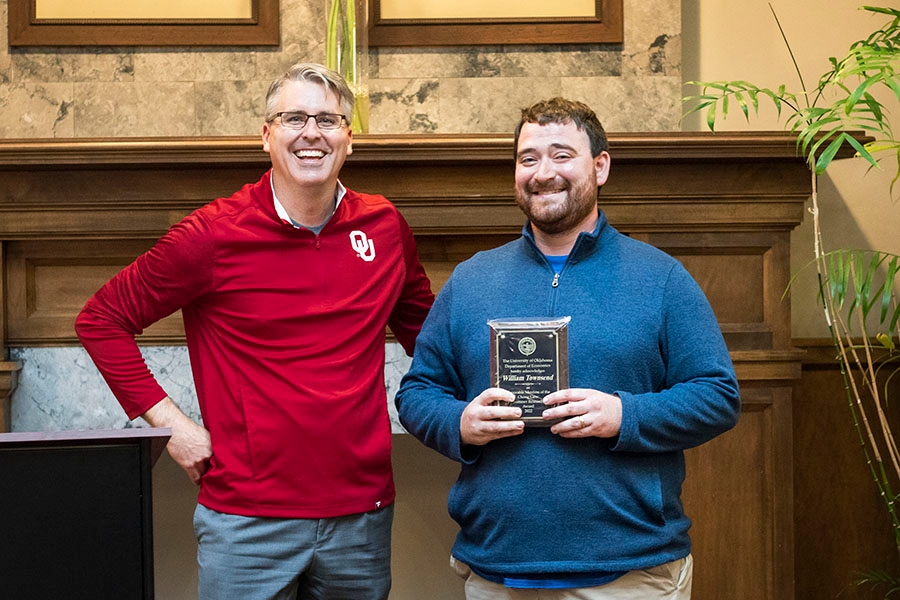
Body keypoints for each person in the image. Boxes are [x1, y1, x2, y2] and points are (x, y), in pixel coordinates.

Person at [75, 62, 434, 600]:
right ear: (266, 135)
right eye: (294, 118)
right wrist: (172, 427)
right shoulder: (211, 236)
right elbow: (101, 320)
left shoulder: (384, 228)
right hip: (246, 523)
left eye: (328, 120)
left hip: (362, 515)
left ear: (349, 140)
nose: (312, 133)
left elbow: (432, 340)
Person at [395, 97, 740, 599]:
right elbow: (419, 392)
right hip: (496, 569)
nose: (543, 173)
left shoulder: (661, 277)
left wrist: (624, 415)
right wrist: (461, 424)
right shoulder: (472, 280)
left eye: (562, 155)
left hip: (631, 573)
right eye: (528, 158)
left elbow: (718, 396)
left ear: (600, 166)